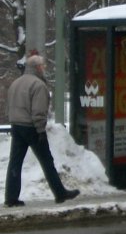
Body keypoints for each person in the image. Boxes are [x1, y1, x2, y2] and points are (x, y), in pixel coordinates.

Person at [5, 53, 79, 207]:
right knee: (46, 160)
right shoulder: (38, 85)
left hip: (17, 126)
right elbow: (39, 111)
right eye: (42, 66)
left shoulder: (16, 83)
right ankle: (60, 193)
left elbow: (9, 106)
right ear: (37, 68)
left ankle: (11, 198)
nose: (44, 68)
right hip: (32, 127)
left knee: (15, 162)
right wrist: (40, 131)